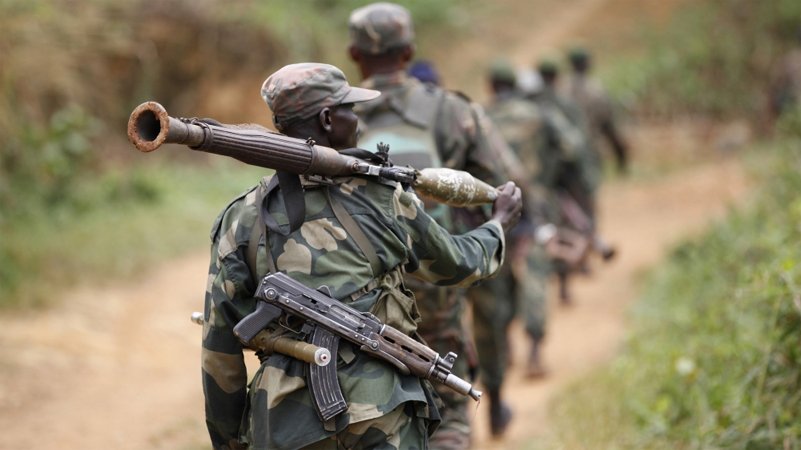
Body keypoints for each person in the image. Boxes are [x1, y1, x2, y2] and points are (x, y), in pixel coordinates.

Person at [200, 62, 523, 450]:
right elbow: (459, 265)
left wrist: (229, 442)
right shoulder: (380, 199)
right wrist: (498, 225)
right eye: (349, 109)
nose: (357, 120)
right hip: (382, 415)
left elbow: (219, 351)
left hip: (285, 426)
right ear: (327, 119)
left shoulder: (240, 219)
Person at [347, 2, 526, 444]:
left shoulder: (336, 114)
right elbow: (506, 178)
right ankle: (474, 412)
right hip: (439, 278)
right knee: (447, 402)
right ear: (408, 52)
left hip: (357, 288)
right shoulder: (451, 110)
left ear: (355, 56)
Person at [482, 58, 556, 381]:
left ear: (490, 86)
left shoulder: (480, 119)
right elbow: (564, 151)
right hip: (530, 206)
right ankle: (535, 352)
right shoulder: (537, 115)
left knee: (499, 282)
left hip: (492, 209)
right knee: (534, 277)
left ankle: (504, 348)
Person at [565, 47, 630, 175]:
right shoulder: (596, 91)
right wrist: (620, 155)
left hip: (564, 151)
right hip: (589, 150)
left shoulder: (560, 87)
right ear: (586, 63)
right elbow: (609, 125)